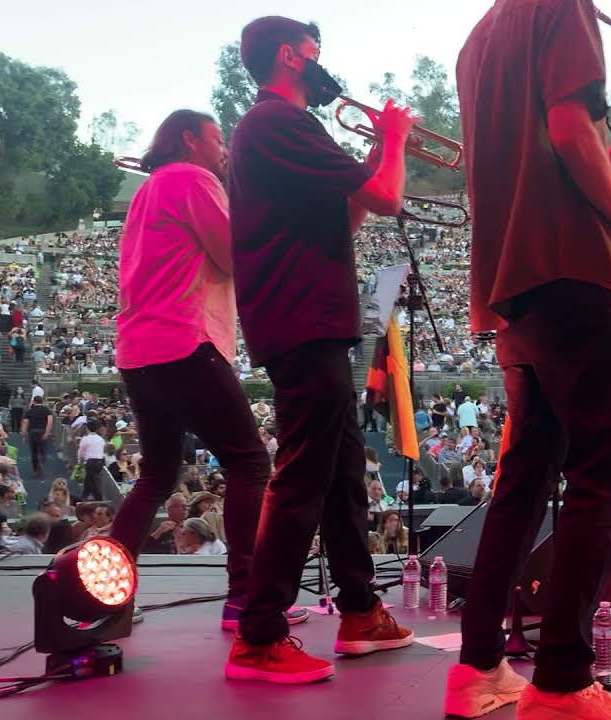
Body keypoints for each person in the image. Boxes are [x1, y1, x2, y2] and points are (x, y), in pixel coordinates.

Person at [445, 1, 611, 718]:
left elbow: (535, 156)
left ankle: (478, 668)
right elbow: (568, 128)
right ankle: (565, 680)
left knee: (524, 478)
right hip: (576, 269)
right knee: (601, 474)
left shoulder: (480, 37)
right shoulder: (562, 6)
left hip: (514, 282)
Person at [224, 16, 417, 684]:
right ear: (289, 56)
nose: (321, 60)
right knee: (305, 474)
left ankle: (360, 610)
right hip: (302, 318)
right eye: (314, 51)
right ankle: (259, 634)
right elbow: (390, 199)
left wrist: (366, 162)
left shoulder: (279, 130)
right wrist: (393, 142)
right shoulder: (278, 122)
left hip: (312, 319)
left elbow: (354, 210)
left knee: (341, 473)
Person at [104, 108, 305, 635]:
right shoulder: (193, 178)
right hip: (184, 341)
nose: (223, 151)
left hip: (138, 349)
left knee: (154, 475)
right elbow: (235, 254)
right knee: (248, 463)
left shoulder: (148, 190)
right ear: (189, 140)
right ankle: (246, 595)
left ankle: (104, 598)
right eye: (218, 140)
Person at [21, 395, 54, 478]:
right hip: (42, 431)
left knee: (34, 452)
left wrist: (23, 435)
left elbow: (25, 423)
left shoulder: (30, 411)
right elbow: (50, 422)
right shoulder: (47, 410)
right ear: (42, 401)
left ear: (34, 402)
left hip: (32, 432)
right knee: (43, 450)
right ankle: (42, 462)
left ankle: (36, 469)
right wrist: (47, 433)